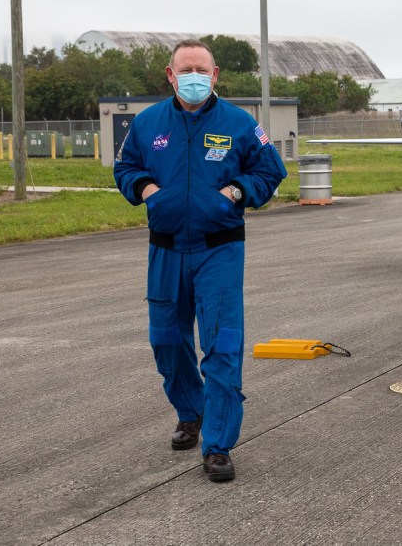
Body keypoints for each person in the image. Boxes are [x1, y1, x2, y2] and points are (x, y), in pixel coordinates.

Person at [114, 39, 286, 482]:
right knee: (167, 340)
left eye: (201, 69)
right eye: (184, 69)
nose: (193, 76)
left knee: (222, 345)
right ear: (170, 76)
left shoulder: (241, 123)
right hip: (166, 248)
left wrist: (234, 192)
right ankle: (190, 412)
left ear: (215, 75)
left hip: (220, 250)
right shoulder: (148, 122)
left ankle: (218, 444)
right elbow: (126, 168)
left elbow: (270, 171)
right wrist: (149, 191)